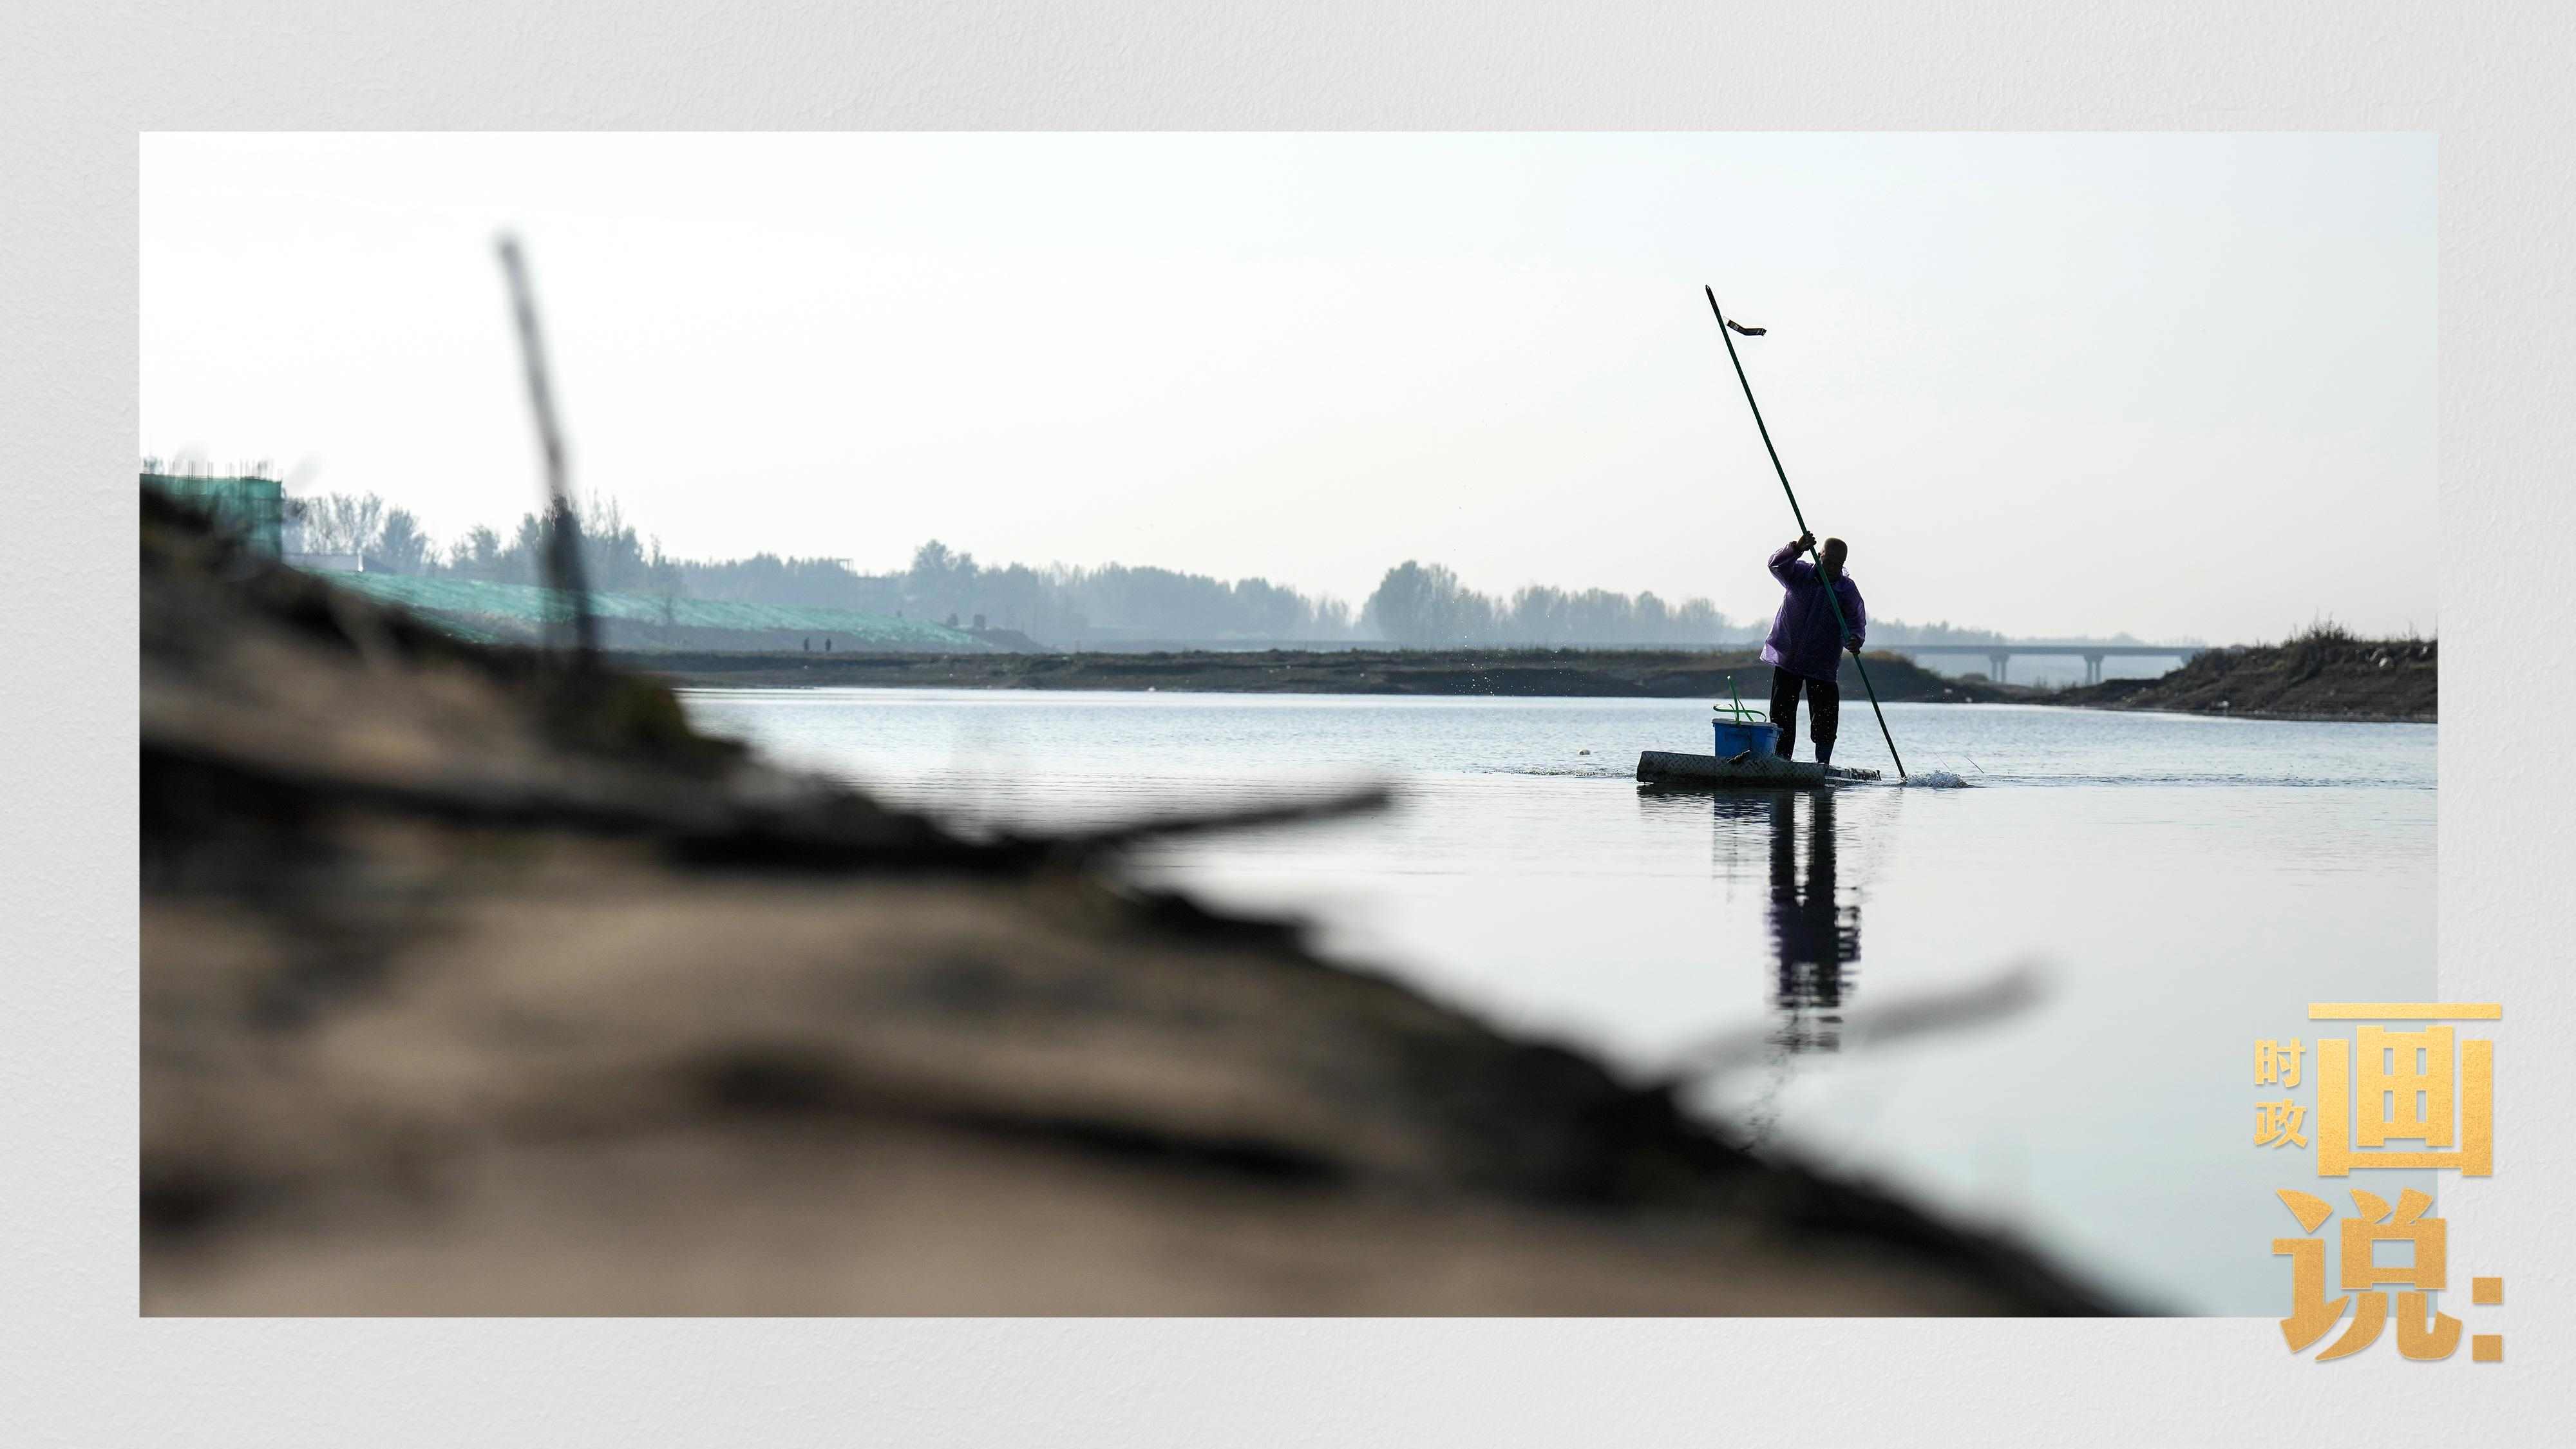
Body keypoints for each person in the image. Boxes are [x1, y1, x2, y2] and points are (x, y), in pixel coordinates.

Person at [1760, 531, 1866, 764]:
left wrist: (1855, 639)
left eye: (1838, 564)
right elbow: (1775, 565)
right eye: (1829, 562)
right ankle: (1781, 761)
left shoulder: (1846, 590)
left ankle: (1822, 764)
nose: (1832, 568)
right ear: (1820, 555)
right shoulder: (1799, 574)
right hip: (1788, 656)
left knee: (1826, 716)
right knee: (1782, 714)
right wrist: (1796, 548)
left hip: (1822, 664)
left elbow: (1856, 622)